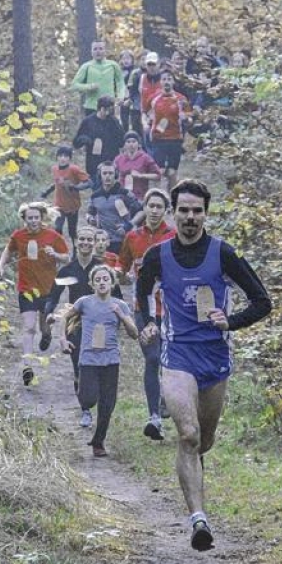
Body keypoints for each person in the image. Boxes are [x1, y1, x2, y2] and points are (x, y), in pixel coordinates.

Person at [136, 179, 271, 551]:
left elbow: (262, 302)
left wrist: (232, 321)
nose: (190, 217)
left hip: (215, 358)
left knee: (204, 441)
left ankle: (193, 476)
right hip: (177, 355)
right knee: (188, 434)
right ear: (173, 213)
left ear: (205, 214)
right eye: (184, 210)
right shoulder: (157, 255)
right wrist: (148, 322)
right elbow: (141, 292)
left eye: (197, 211)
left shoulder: (223, 253)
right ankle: (199, 520)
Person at [57, 264, 138, 457]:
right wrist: (62, 339)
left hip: (111, 360)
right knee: (88, 398)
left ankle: (98, 442)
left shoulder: (120, 305)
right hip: (88, 360)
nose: (102, 283)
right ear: (92, 284)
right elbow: (65, 318)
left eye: (105, 279)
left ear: (112, 283)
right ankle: (80, 387)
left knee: (107, 405)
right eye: (98, 280)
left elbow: (134, 333)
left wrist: (121, 316)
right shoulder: (85, 302)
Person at [118, 188, 176, 440]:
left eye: (158, 207)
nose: (154, 211)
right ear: (144, 208)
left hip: (172, 309)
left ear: (166, 211)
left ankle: (167, 397)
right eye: (150, 206)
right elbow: (122, 264)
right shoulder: (132, 237)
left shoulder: (174, 236)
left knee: (169, 361)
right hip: (143, 308)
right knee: (152, 358)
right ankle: (154, 417)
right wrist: (119, 273)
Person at [0, 201, 71, 386]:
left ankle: (47, 334)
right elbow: (8, 250)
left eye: (36, 217)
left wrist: (56, 255)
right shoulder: (18, 236)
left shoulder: (53, 235)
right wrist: (0, 266)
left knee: (44, 327)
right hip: (26, 289)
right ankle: (27, 365)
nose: (34, 221)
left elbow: (67, 257)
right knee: (29, 327)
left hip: (47, 289)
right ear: (24, 219)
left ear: (42, 218)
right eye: (30, 218)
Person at [43, 227, 101, 410]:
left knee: (96, 364)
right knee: (79, 365)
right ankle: (85, 409)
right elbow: (54, 295)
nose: (85, 243)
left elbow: (116, 298)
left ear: (95, 243)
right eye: (82, 239)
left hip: (98, 325)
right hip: (75, 323)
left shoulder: (101, 269)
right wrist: (49, 313)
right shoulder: (68, 270)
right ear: (76, 242)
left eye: (89, 240)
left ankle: (95, 400)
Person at [144, 70, 192, 190]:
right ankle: (158, 197)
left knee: (171, 172)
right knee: (159, 172)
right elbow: (145, 114)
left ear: (173, 81)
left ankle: (171, 199)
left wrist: (186, 119)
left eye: (169, 79)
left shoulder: (181, 99)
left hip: (175, 138)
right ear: (160, 82)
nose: (166, 82)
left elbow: (189, 118)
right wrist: (146, 124)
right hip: (158, 139)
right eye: (164, 79)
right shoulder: (153, 98)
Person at [87, 161, 144, 255]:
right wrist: (90, 219)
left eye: (110, 173)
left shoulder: (124, 194)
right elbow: (89, 212)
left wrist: (129, 225)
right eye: (104, 173)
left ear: (116, 174)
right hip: (103, 241)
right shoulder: (95, 196)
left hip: (123, 240)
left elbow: (141, 212)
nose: (107, 176)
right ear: (100, 175)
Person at [40, 145, 92, 239]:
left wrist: (76, 187)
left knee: (72, 231)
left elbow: (89, 182)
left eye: (66, 156)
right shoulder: (55, 169)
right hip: (59, 204)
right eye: (60, 156)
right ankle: (60, 248)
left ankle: (75, 251)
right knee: (57, 228)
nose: (63, 158)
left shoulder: (74, 169)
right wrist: (47, 192)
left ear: (70, 158)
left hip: (72, 205)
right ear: (57, 157)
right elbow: (56, 183)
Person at [72, 96, 125, 183]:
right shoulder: (88, 122)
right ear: (102, 109)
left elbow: (122, 141)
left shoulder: (113, 121)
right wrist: (84, 139)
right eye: (108, 110)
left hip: (110, 161)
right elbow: (76, 143)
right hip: (94, 162)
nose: (110, 113)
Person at [69, 40, 127, 117]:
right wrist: (88, 87)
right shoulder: (86, 66)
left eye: (100, 48)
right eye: (95, 49)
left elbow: (120, 82)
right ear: (91, 52)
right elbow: (73, 85)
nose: (98, 51)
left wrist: (121, 96)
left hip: (109, 107)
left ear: (105, 50)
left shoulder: (113, 65)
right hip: (91, 107)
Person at [114, 131, 161, 200]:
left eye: (134, 141)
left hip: (140, 196)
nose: (131, 144)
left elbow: (158, 176)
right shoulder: (118, 159)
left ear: (139, 144)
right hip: (122, 196)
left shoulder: (145, 158)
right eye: (128, 142)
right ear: (124, 145)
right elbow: (112, 174)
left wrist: (140, 175)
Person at [137, 52, 164, 154]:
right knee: (147, 135)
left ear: (158, 64)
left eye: (154, 64)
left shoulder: (164, 78)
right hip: (146, 115)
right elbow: (135, 94)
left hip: (163, 116)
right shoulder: (141, 78)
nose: (152, 67)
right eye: (149, 64)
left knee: (160, 136)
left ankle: (160, 161)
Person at [118, 49, 143, 136]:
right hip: (122, 98)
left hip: (133, 99)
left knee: (135, 120)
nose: (126, 61)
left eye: (128, 58)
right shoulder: (119, 72)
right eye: (124, 59)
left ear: (132, 60)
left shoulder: (136, 72)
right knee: (124, 120)